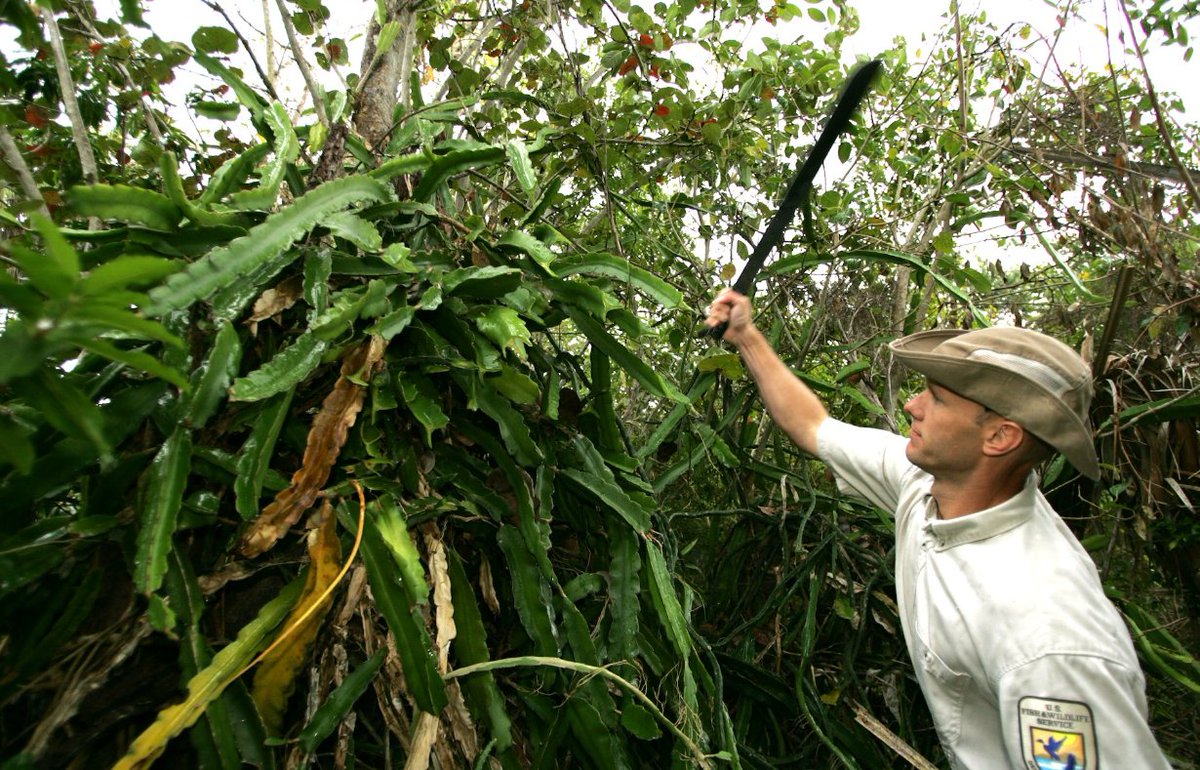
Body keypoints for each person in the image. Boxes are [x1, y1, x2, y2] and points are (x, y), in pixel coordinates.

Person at [705, 288, 1173, 769]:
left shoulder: (1047, 635)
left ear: (999, 436)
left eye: (937, 398)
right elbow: (814, 427)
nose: (912, 406)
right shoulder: (924, 483)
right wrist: (746, 336)